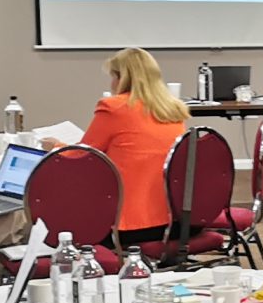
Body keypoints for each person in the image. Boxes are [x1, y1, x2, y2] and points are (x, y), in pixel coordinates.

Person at [80, 46, 190, 246]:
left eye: (113, 76)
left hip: (129, 226)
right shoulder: (173, 109)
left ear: (122, 78)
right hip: (177, 221)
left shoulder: (114, 107)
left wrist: (56, 145)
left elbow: (82, 155)